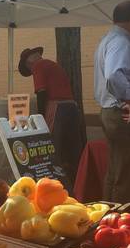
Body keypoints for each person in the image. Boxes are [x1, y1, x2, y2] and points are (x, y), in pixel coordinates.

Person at [94, 1, 130, 203]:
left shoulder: (109, 39)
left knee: (117, 171)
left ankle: (109, 218)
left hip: (114, 110)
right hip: (124, 112)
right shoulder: (120, 42)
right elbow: (113, 74)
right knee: (127, 175)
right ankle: (119, 223)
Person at [18, 46, 84, 185]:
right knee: (73, 148)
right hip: (71, 106)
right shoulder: (54, 65)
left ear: (28, 64)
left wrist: (40, 116)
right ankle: (78, 180)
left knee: (53, 146)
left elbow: (41, 92)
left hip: (58, 108)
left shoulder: (38, 67)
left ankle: (56, 181)